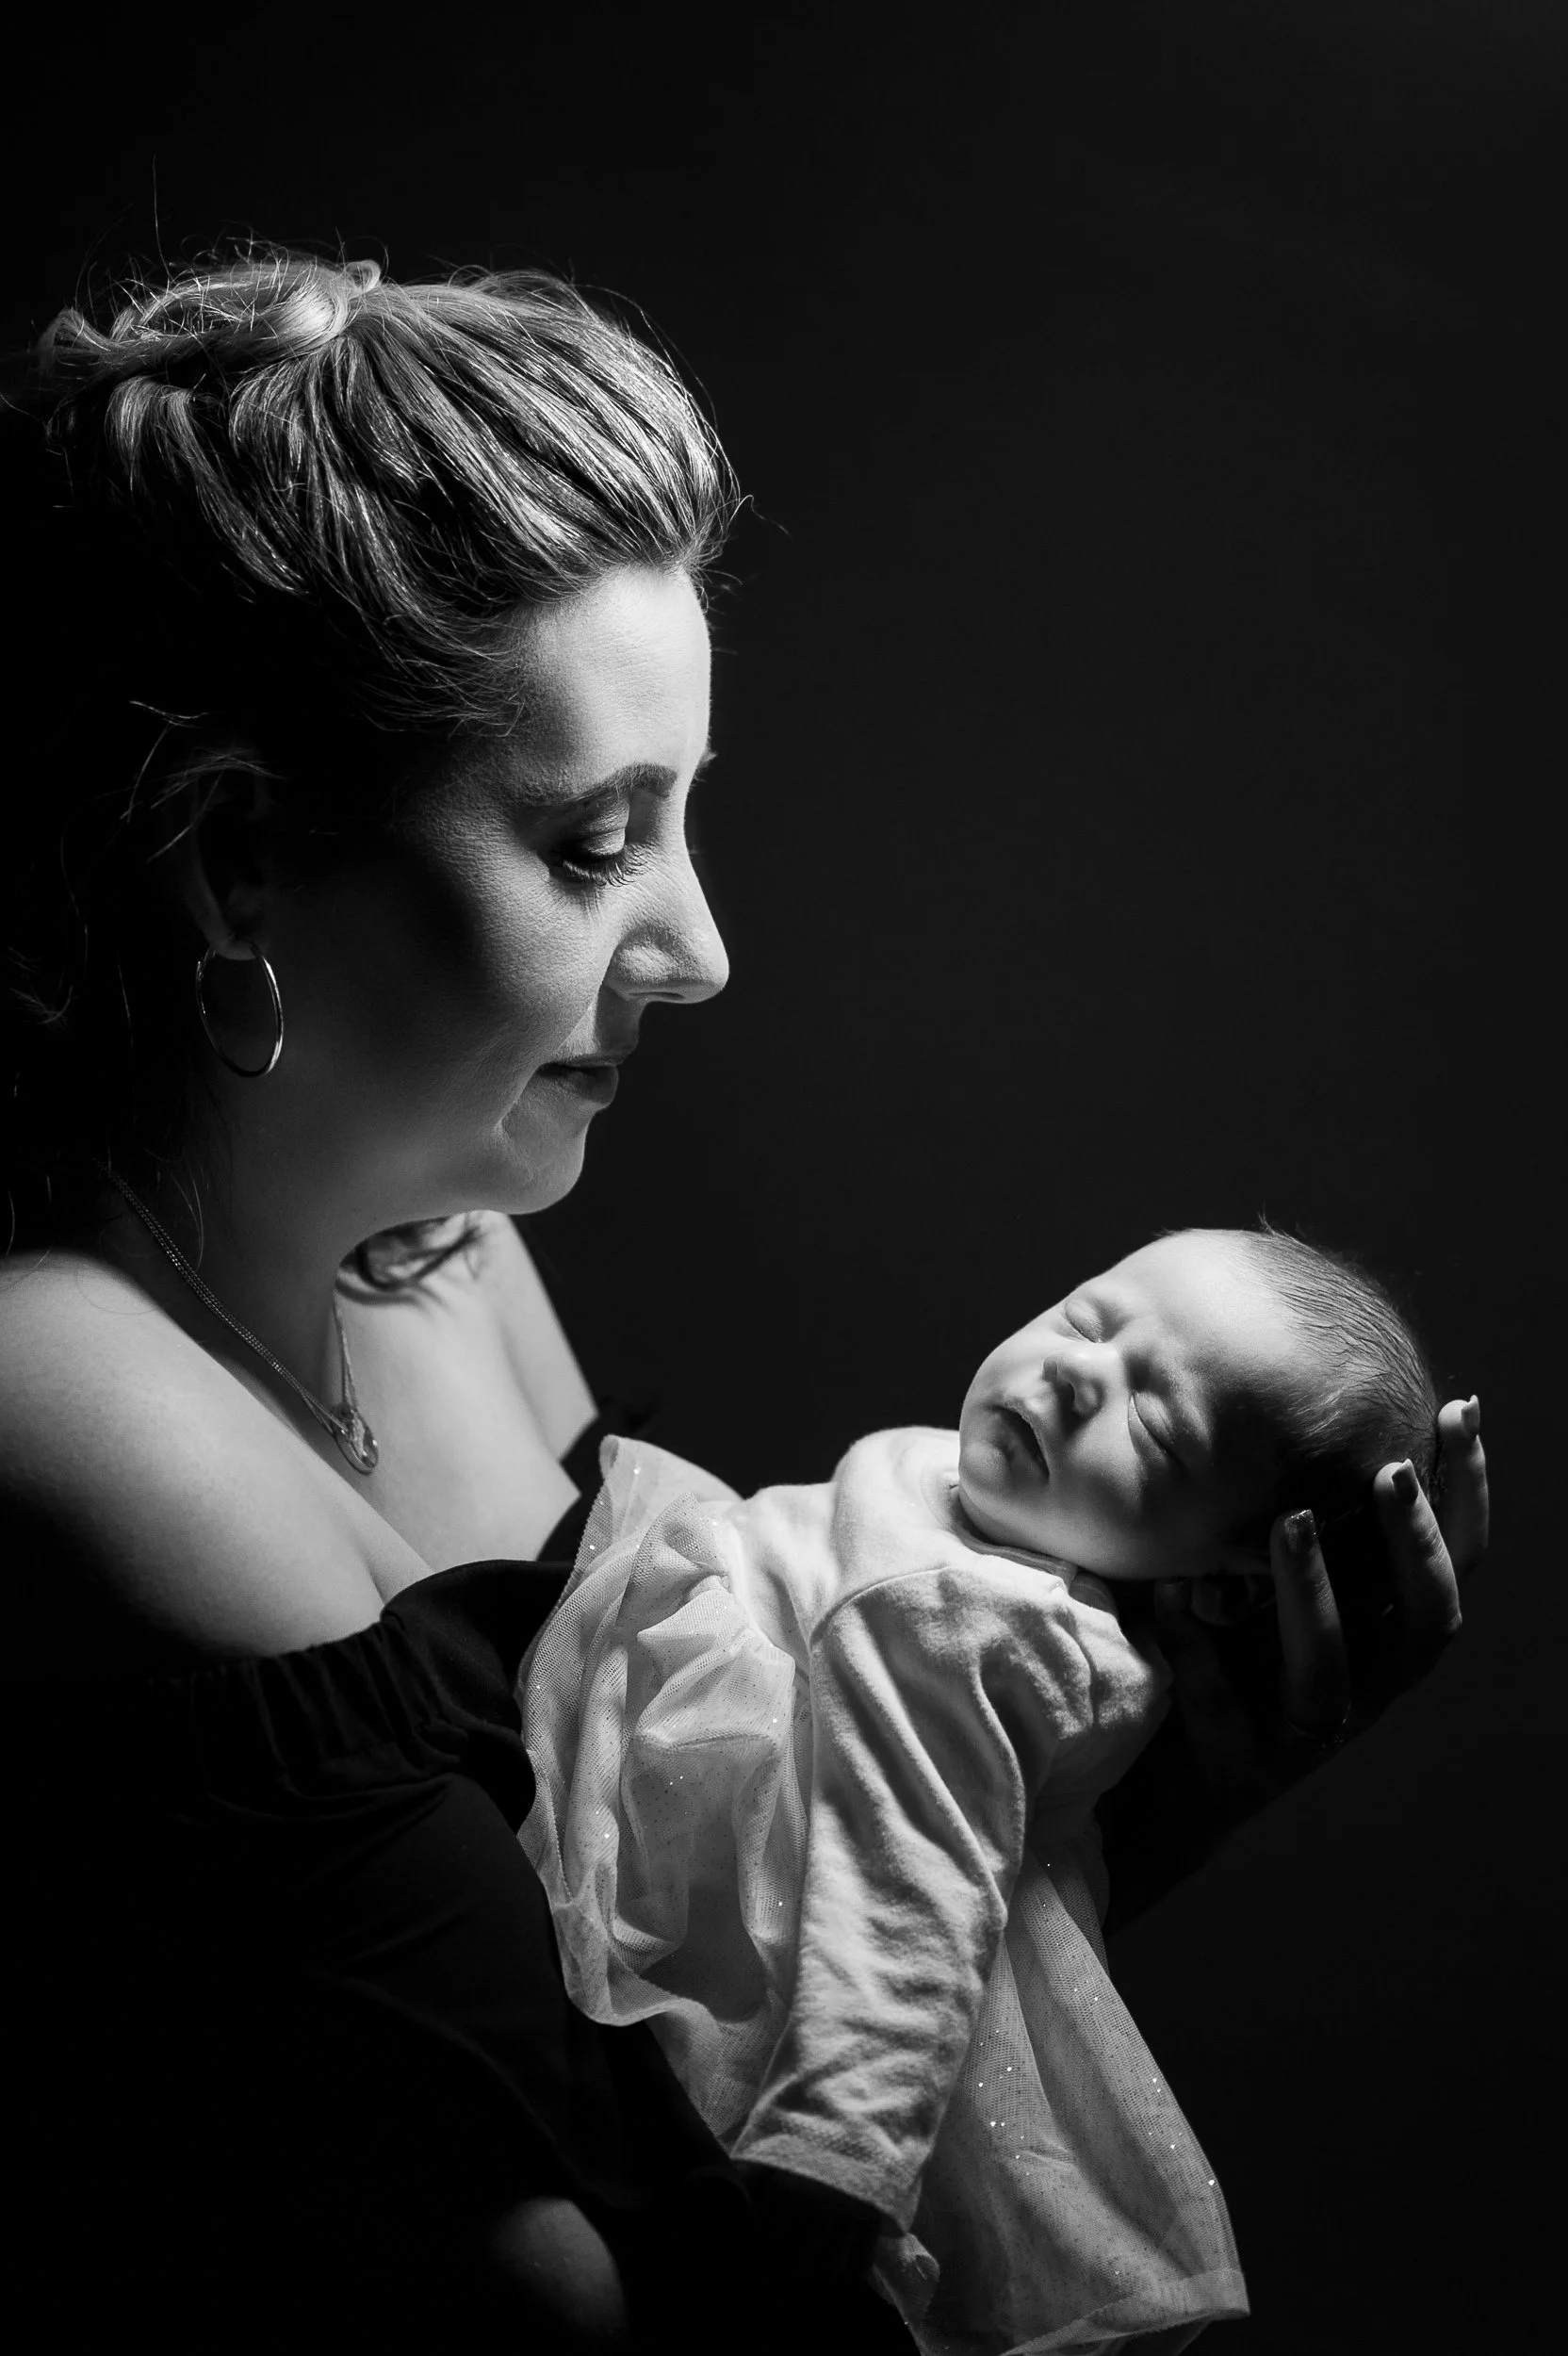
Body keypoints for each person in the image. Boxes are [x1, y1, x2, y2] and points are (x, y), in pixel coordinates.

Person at [0, 245, 1488, 2351]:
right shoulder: (66, 1392)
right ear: (239, 860)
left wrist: (1076, 1818)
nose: (697, 946)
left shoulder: (454, 1256)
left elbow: (664, 1988)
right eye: (596, 842)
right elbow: (597, 2302)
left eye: (683, 821)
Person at [518, 1220, 1462, 2353]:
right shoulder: (1000, 1529)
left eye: (1151, 1423)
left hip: (732, 1907)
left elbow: (914, 1864)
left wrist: (837, 2144)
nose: (1073, 1375)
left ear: (1221, 1586)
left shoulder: (975, 1625)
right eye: (1087, 1317)